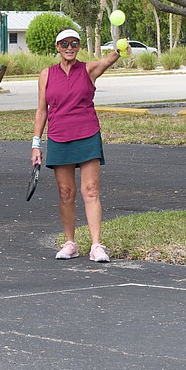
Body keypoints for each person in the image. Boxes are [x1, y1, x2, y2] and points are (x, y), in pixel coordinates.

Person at [31, 28, 127, 263]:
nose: (69, 47)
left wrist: (120, 49)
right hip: (58, 136)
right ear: (57, 47)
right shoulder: (46, 74)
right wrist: (36, 144)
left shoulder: (88, 69)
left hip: (87, 134)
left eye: (74, 43)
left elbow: (109, 59)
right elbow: (42, 110)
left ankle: (96, 245)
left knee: (91, 190)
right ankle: (70, 243)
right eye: (64, 44)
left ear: (79, 46)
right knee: (66, 193)